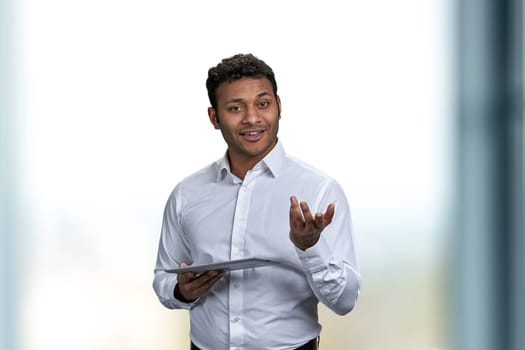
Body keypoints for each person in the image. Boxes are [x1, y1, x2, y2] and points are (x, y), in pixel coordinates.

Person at [153, 53, 361, 350]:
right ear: (214, 117)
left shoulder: (320, 192)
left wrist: (309, 247)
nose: (252, 118)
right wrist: (181, 291)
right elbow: (163, 277)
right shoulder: (187, 194)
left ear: (279, 106)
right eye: (236, 108)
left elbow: (344, 301)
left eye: (263, 104)